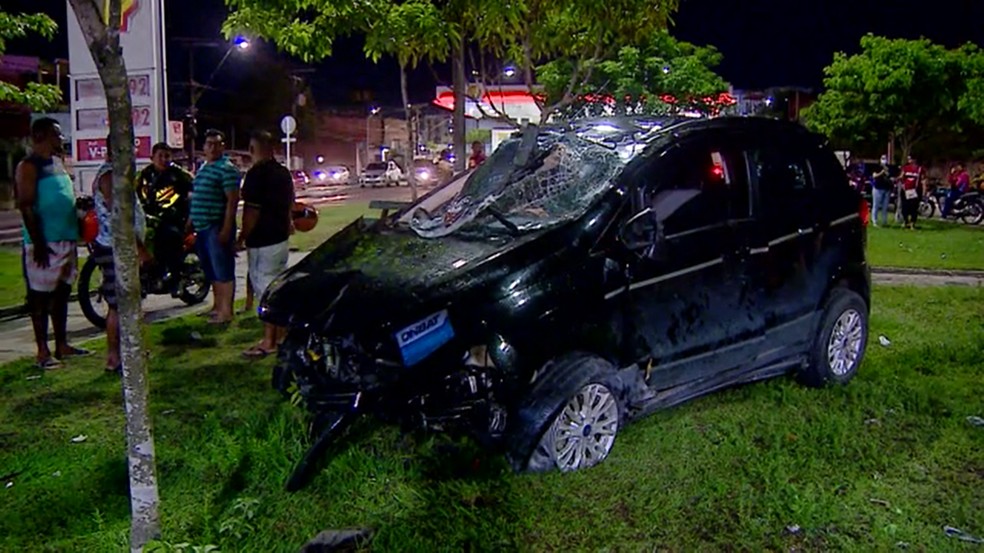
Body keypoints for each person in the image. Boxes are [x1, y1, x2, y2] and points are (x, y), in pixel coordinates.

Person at [15, 118, 91, 369]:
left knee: (61, 294)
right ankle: (42, 351)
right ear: (42, 136)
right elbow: (26, 205)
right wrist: (38, 242)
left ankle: (62, 344)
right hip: (44, 243)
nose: (61, 139)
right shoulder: (28, 166)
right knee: (39, 298)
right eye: (56, 135)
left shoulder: (58, 163)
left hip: (66, 238)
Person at [91, 134, 152, 372]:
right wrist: (140, 248)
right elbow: (119, 216)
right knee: (118, 304)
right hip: (116, 247)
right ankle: (114, 356)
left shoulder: (119, 174)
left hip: (123, 247)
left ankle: (131, 350)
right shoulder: (109, 176)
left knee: (130, 302)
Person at [237, 130, 294, 357]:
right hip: (280, 238)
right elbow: (290, 204)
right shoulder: (283, 173)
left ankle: (269, 340)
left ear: (252, 149)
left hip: (262, 240)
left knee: (265, 291)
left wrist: (242, 237)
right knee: (278, 287)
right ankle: (280, 335)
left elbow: (251, 211)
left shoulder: (255, 175)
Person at [189, 129, 241, 324]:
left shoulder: (227, 169)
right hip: (201, 227)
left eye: (217, 144)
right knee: (211, 270)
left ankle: (226, 311)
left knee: (223, 269)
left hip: (216, 225)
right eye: (209, 144)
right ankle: (217, 306)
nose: (212, 148)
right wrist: (190, 221)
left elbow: (232, 201)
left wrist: (226, 229)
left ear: (222, 146)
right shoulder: (204, 168)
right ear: (204, 147)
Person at [137, 142, 194, 289]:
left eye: (167, 156)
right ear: (152, 158)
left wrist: (190, 218)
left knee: (168, 237)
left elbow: (195, 193)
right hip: (149, 218)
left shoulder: (179, 175)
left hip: (174, 219)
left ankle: (175, 278)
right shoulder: (145, 174)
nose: (163, 159)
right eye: (160, 156)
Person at [899, 155, 925, 229]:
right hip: (905, 190)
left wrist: (924, 191)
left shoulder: (919, 169)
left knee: (914, 207)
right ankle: (905, 221)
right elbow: (901, 177)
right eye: (908, 159)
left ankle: (912, 223)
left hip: (915, 190)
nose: (909, 160)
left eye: (910, 159)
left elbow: (923, 179)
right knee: (905, 207)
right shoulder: (905, 168)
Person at [871, 156, 893, 227]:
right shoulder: (877, 167)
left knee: (885, 207)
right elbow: (874, 176)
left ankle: (884, 222)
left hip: (887, 189)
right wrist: (882, 172)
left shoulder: (889, 167)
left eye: (885, 158)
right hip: (878, 188)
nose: (884, 160)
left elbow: (891, 176)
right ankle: (874, 221)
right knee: (876, 205)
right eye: (883, 158)